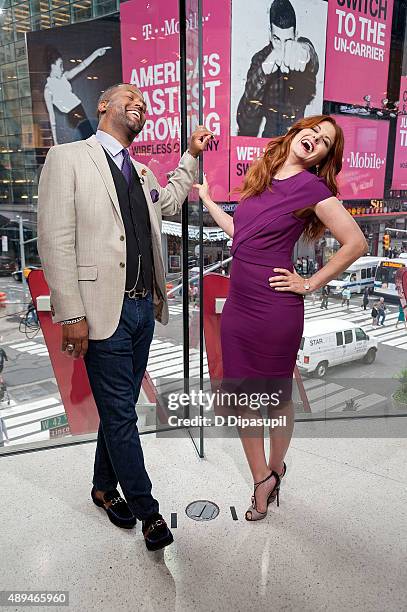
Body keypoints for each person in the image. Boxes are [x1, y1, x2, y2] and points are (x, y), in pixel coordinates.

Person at [38, 82, 211, 551]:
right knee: (122, 416)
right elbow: (54, 240)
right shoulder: (69, 159)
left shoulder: (141, 172)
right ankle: (147, 511)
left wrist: (191, 155)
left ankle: (101, 487)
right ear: (103, 107)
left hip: (141, 308)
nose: (139, 104)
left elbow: (171, 202)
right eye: (129, 97)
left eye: (144, 103)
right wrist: (69, 312)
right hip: (97, 312)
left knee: (119, 413)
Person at [194, 114, 368, 521]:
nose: (316, 140)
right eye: (314, 132)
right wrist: (206, 201)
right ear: (297, 132)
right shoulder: (263, 179)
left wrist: (309, 283)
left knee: (275, 399)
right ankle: (263, 478)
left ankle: (274, 469)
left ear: (323, 156)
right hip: (239, 306)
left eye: (325, 142)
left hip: (276, 308)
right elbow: (240, 233)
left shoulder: (312, 187)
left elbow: (356, 242)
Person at [236, 0, 319, 138]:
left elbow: (312, 59)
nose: (282, 48)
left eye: (288, 41)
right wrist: (263, 72)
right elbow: (244, 122)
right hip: (269, 143)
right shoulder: (260, 59)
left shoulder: (300, 50)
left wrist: (305, 51)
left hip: (298, 138)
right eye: (276, 39)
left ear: (296, 35)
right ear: (269, 34)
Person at [44, 45, 111, 145]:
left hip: (80, 109)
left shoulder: (64, 77)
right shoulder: (48, 89)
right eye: (60, 65)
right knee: (93, 141)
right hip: (73, 115)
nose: (62, 69)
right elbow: (51, 117)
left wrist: (96, 53)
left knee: (93, 139)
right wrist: (55, 141)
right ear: (53, 66)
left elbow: (82, 66)